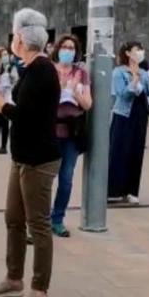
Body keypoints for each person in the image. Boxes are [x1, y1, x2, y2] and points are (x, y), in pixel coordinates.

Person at [0, 8, 60, 297]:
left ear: (21, 38)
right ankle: (13, 278)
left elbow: (24, 117)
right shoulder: (30, 68)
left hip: (39, 159)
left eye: (14, 34)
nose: (12, 40)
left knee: (38, 225)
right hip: (22, 156)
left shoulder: (43, 70)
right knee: (13, 219)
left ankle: (39, 290)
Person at [49, 34, 92, 238]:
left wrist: (74, 92)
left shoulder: (81, 74)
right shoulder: (48, 69)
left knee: (66, 179)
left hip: (72, 132)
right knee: (45, 177)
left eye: (72, 48)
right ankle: (39, 219)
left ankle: (57, 219)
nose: (68, 51)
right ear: (58, 49)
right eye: (65, 47)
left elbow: (88, 104)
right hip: (49, 131)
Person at [107, 42, 149, 205]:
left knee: (136, 151)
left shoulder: (144, 72)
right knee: (119, 151)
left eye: (141, 49)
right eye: (136, 50)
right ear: (127, 53)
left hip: (140, 114)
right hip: (123, 113)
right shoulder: (118, 72)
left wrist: (146, 79)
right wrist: (133, 81)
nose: (140, 52)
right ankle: (113, 190)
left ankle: (131, 190)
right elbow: (121, 94)